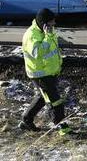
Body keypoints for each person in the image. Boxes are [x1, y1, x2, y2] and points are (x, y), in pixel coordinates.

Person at [18, 8, 73, 136]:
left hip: (49, 72)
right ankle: (62, 128)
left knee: (43, 97)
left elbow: (51, 49)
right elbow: (38, 53)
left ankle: (26, 120)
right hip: (40, 74)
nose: (53, 25)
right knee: (55, 101)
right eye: (51, 23)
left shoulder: (46, 30)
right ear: (44, 23)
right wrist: (48, 37)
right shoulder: (32, 35)